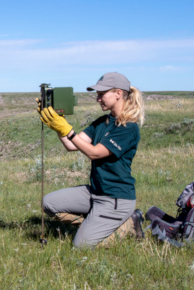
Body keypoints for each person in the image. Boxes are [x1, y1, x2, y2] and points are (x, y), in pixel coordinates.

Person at [38, 72, 146, 248]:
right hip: (94, 192)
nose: (98, 99)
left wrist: (68, 130)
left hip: (115, 199)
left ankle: (129, 225)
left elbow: (95, 153)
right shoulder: (102, 122)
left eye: (102, 94)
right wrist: (58, 124)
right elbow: (72, 145)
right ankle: (95, 223)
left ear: (118, 93)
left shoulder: (129, 128)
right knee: (48, 203)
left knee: (81, 246)